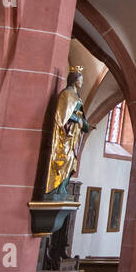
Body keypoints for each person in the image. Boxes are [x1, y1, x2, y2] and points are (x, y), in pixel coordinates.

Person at [44, 67, 93, 200]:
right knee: (66, 159)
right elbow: (62, 114)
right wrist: (79, 121)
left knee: (72, 161)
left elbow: (80, 115)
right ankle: (56, 188)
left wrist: (86, 125)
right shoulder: (66, 94)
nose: (82, 82)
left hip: (74, 135)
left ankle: (62, 188)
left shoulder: (77, 96)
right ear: (75, 80)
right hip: (66, 134)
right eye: (80, 79)